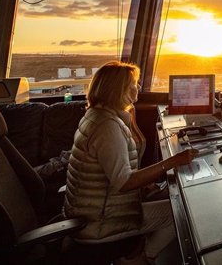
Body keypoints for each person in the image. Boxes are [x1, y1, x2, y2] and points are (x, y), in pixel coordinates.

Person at [64, 61, 198, 264]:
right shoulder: (107, 127)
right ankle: (142, 258)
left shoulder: (97, 115)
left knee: (167, 193)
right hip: (100, 222)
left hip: (94, 208)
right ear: (118, 90)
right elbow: (124, 182)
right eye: (134, 84)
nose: (138, 88)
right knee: (182, 212)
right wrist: (172, 161)